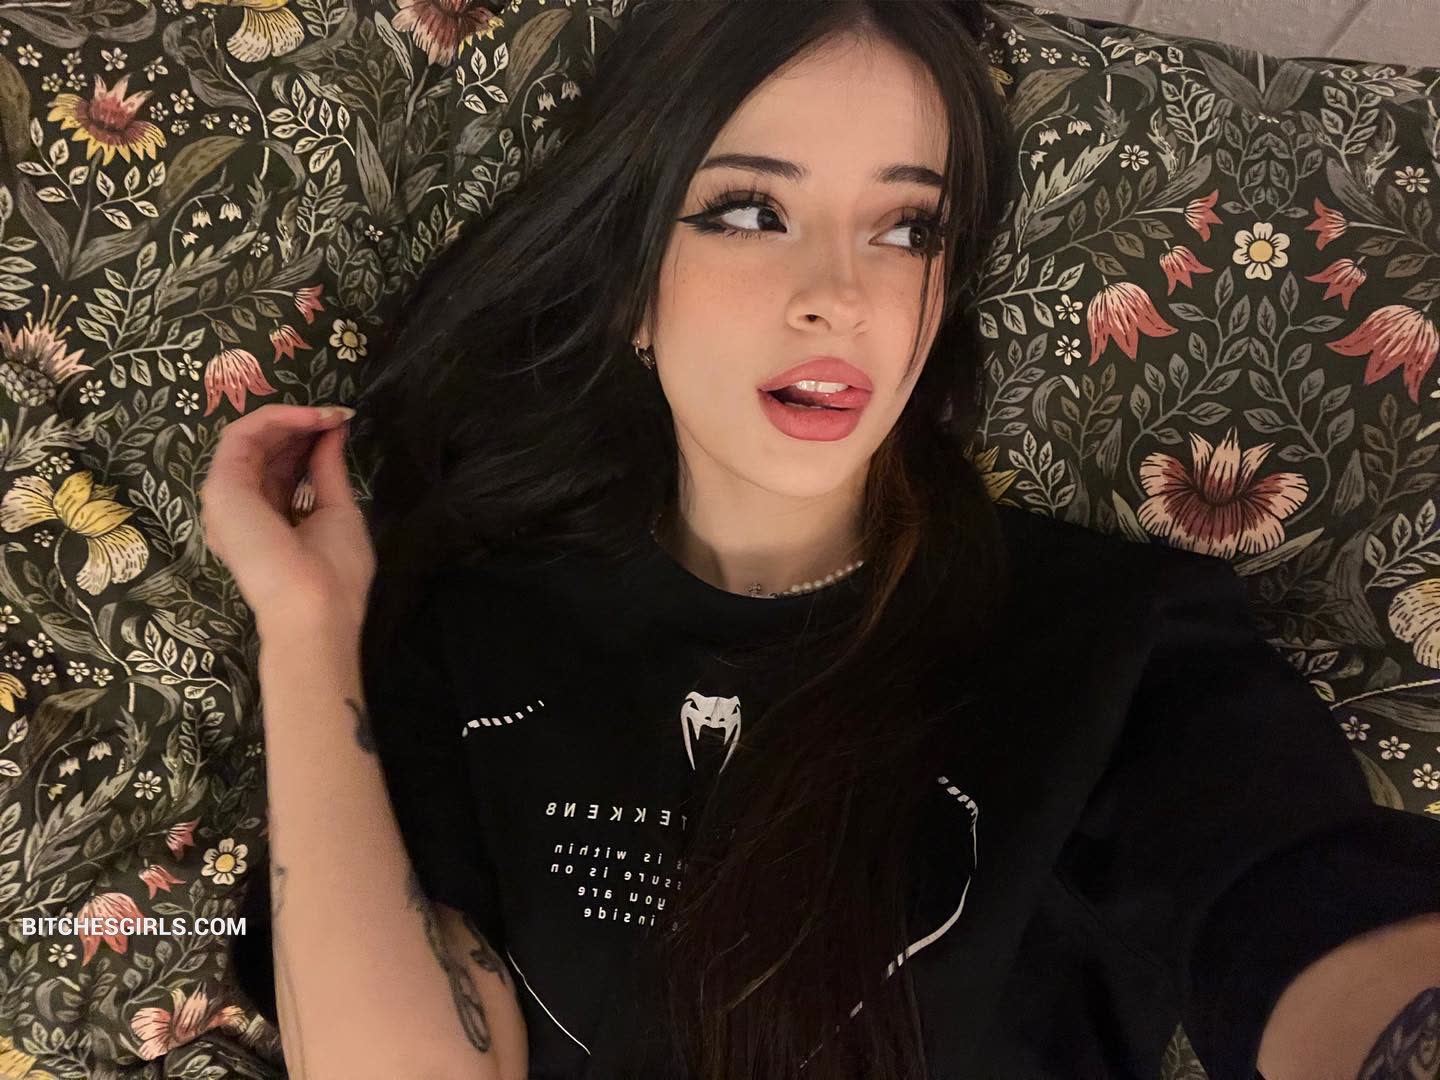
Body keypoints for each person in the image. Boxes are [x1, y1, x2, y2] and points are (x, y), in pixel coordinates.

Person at [199, 2, 1440, 1078]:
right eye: (750, 210)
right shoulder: (472, 628)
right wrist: (306, 629)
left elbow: (1303, 912)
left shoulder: (1116, 644)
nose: (840, 297)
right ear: (631, 286)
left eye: (907, 229)